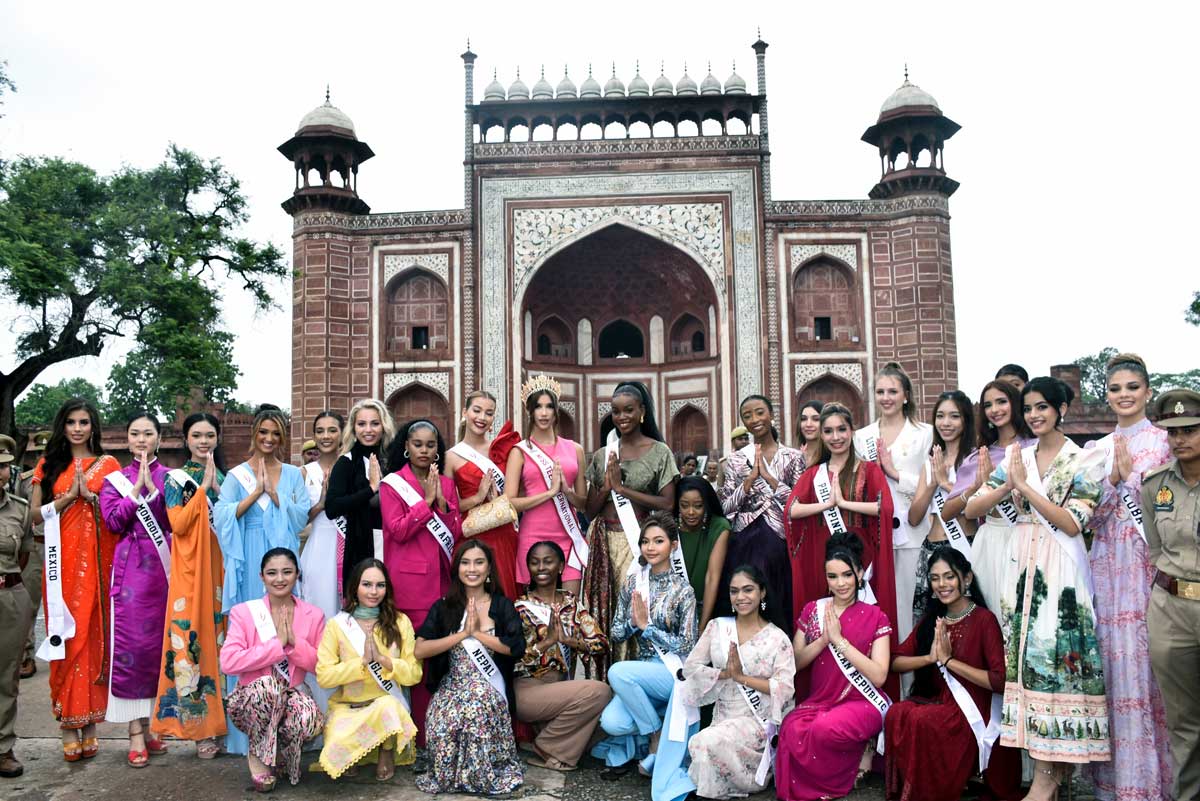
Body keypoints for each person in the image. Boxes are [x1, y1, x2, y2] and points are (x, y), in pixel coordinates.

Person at [964, 376, 1111, 796]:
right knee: (1026, 663)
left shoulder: (1085, 459)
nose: (1034, 415)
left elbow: (1072, 522)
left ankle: (1049, 778)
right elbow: (973, 508)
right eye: (1028, 408)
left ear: (1060, 409)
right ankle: (1051, 772)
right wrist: (1007, 484)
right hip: (1022, 567)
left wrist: (1023, 486)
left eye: (1042, 407)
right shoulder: (1018, 456)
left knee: (1056, 662)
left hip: (1062, 571)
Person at [1082, 354, 1173, 801]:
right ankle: (1117, 782)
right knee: (1114, 663)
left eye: (1132, 387)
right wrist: (1109, 481)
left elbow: (1167, 503)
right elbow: (1089, 517)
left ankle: (1155, 780)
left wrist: (1128, 481)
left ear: (1147, 391)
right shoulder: (1094, 448)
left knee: (1149, 665)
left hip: (1146, 561)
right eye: (1116, 388)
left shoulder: (1165, 441)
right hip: (1105, 562)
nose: (1123, 395)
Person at [886, 546, 1020, 801]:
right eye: (935, 578)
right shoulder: (932, 620)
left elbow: (999, 681)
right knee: (897, 713)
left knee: (921, 720)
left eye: (949, 576)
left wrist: (949, 661)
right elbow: (894, 661)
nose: (941, 584)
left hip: (973, 710)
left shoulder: (983, 619)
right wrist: (930, 658)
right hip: (939, 701)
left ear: (966, 578)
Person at [215, 406, 311, 756]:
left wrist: (276, 496)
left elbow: (301, 514)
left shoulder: (291, 474)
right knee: (253, 633)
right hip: (250, 556)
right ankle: (248, 733)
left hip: (283, 554)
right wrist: (254, 494)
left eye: (275, 434)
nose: (269, 439)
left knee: (285, 631)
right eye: (263, 433)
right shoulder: (237, 475)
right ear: (254, 434)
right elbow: (221, 517)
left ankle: (286, 727)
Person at [787, 402, 898, 699]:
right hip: (826, 560)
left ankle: (866, 698)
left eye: (841, 429)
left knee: (864, 623)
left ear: (852, 431)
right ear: (821, 436)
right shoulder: (814, 474)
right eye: (828, 431)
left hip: (861, 561)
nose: (836, 437)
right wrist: (826, 504)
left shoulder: (868, 469)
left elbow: (884, 507)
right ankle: (826, 692)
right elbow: (792, 510)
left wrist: (844, 504)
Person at [30, 398, 120, 761]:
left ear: (93, 426)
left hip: (99, 566)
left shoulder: (109, 465)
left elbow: (120, 513)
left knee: (93, 638)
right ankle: (69, 723)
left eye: (84, 421)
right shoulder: (47, 465)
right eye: (71, 422)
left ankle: (91, 723)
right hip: (60, 569)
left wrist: (95, 498)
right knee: (66, 638)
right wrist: (69, 498)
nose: (78, 428)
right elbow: (34, 518)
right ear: (62, 426)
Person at [777, 532, 893, 801]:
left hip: (864, 701)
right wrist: (823, 641)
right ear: (825, 578)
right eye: (833, 576)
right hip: (821, 701)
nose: (840, 583)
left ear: (860, 574)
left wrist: (840, 642)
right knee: (792, 727)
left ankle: (844, 772)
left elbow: (879, 675)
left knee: (824, 729)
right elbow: (795, 663)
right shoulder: (813, 610)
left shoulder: (876, 616)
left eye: (847, 575)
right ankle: (851, 762)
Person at [671, 565, 796, 800]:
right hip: (723, 718)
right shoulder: (717, 627)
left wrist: (742, 678)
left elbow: (785, 688)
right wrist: (723, 674)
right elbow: (691, 668)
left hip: (756, 723)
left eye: (748, 590)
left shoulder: (777, 638)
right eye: (734, 591)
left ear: (762, 593)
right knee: (705, 744)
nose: (740, 597)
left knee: (703, 743)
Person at [593, 512, 698, 783]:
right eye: (646, 541)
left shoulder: (683, 590)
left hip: (671, 672)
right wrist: (632, 623)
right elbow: (615, 633)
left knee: (618, 673)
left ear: (673, 545)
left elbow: (688, 644)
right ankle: (656, 729)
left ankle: (652, 737)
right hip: (642, 671)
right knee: (612, 723)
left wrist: (647, 627)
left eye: (658, 541)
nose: (650, 547)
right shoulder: (633, 583)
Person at [414, 540, 525, 795]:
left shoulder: (502, 605)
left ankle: (479, 775)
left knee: (475, 713)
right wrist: (463, 634)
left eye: (479, 562)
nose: (471, 569)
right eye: (465, 562)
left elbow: (515, 647)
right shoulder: (444, 607)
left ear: (489, 570)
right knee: (444, 718)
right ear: (457, 569)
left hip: (489, 685)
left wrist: (478, 634)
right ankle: (451, 774)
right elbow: (420, 649)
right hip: (452, 685)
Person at [583, 381, 678, 677]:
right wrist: (607, 487)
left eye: (628, 410)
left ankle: (635, 675)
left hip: (637, 541)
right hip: (601, 539)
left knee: (632, 607)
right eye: (615, 411)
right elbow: (589, 509)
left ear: (641, 413)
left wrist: (623, 489)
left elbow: (667, 502)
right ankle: (604, 680)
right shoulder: (603, 455)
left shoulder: (659, 451)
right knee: (603, 608)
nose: (621, 416)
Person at [98, 412, 174, 768]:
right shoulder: (113, 480)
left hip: (164, 573)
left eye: (148, 433)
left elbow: (176, 522)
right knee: (132, 648)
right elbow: (112, 522)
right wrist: (135, 491)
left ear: (159, 438)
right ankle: (134, 733)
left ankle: (153, 727)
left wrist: (154, 492)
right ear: (126, 440)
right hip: (129, 574)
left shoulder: (172, 478)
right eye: (135, 434)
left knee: (160, 650)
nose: (141, 439)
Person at [380, 417, 461, 743]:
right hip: (408, 587)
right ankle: (403, 733)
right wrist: (425, 503)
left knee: (435, 662)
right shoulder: (391, 484)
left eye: (431, 444)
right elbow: (397, 530)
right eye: (418, 444)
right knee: (408, 661)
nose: (424, 450)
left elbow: (455, 532)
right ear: (406, 447)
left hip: (441, 584)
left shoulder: (447, 483)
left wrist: (440, 501)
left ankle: (431, 735)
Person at [152, 412, 227, 759]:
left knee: (222, 641)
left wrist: (218, 487)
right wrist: (203, 490)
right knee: (190, 643)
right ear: (186, 439)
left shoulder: (226, 477)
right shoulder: (174, 479)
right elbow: (178, 523)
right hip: (190, 572)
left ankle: (227, 724)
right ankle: (200, 731)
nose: (203, 441)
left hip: (221, 569)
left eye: (209, 435)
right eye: (196, 435)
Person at [219, 547, 325, 791]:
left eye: (287, 572)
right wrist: (277, 645)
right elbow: (229, 662)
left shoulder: (314, 615)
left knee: (309, 719)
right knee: (269, 688)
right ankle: (258, 756)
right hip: (252, 699)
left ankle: (281, 755)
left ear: (297, 574)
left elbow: (321, 666)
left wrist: (295, 644)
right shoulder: (245, 613)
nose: (280, 579)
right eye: (272, 573)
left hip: (292, 693)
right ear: (261, 576)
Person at [1143, 388, 1200, 801]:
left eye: (1191, 430)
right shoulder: (1155, 484)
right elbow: (1157, 548)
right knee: (1183, 721)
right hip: (1170, 608)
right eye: (1173, 431)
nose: (1180, 439)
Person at [316, 558, 421, 782]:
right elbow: (324, 677)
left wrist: (385, 661)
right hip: (349, 708)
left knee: (388, 706)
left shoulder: (400, 622)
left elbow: (414, 674)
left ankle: (386, 748)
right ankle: (354, 752)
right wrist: (362, 663)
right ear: (354, 587)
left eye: (380, 585)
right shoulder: (337, 625)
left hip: (385, 706)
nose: (374, 592)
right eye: (367, 585)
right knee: (336, 747)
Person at [938, 380, 1034, 621]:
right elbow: (948, 512)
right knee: (993, 613)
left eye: (1002, 401)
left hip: (1029, 537)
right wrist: (975, 486)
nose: (995, 409)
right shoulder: (980, 456)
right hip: (992, 540)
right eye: (988, 404)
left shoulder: (1035, 447)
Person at [853, 362, 934, 646]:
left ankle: (913, 682)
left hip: (912, 530)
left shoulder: (924, 433)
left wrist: (895, 474)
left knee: (910, 608)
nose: (886, 397)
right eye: (880, 391)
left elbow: (931, 482)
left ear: (906, 395)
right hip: (873, 532)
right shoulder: (861, 436)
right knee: (878, 609)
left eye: (892, 391)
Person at [515, 540, 612, 771]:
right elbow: (511, 659)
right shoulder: (520, 607)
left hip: (560, 688)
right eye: (534, 563)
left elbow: (601, 643)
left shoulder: (571, 604)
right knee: (600, 692)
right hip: (527, 689)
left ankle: (551, 745)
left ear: (560, 567)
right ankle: (549, 747)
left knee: (609, 722)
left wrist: (570, 641)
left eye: (548, 561)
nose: (541, 567)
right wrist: (545, 643)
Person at [719, 394, 805, 633]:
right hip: (745, 538)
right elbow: (725, 508)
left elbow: (799, 504)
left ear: (771, 415)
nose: (754, 419)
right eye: (747, 415)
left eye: (759, 412)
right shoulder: (736, 460)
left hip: (781, 538)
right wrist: (747, 483)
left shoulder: (793, 458)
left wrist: (770, 480)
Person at [505, 375, 588, 595]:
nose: (543, 413)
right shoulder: (519, 451)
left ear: (556, 410)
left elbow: (584, 502)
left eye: (549, 406)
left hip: (569, 536)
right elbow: (509, 503)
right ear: (529, 411)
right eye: (538, 407)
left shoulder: (575, 449)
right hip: (533, 536)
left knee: (571, 609)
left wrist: (566, 492)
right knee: (533, 614)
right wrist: (550, 493)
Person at [906, 390, 976, 621]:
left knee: (967, 620)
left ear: (966, 420)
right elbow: (914, 518)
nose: (946, 423)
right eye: (940, 416)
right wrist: (933, 483)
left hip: (964, 547)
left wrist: (946, 484)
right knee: (931, 623)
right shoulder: (930, 462)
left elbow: (975, 508)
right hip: (932, 549)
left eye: (954, 416)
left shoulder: (974, 460)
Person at [445, 390, 521, 599]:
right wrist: (477, 498)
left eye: (488, 413)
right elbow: (447, 508)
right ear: (465, 412)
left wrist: (500, 497)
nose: (481, 418)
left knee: (504, 596)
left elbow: (516, 492)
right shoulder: (451, 456)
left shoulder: (503, 450)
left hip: (503, 532)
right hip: (471, 534)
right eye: (476, 411)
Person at [325, 399, 393, 594]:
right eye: (361, 424)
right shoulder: (345, 463)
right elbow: (332, 508)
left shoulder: (393, 461)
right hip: (360, 543)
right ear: (353, 428)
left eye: (375, 423)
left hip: (393, 542)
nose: (368, 430)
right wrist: (371, 489)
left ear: (384, 426)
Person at [0, 435, 32, 778]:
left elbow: (22, 556)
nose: (0, 472)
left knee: (6, 676)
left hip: (9, 597)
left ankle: (3, 748)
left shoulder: (19, 510)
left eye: (3, 466)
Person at [300, 410, 345, 620]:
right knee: (318, 608)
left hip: (349, 545)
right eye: (320, 431)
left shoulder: (353, 467)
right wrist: (321, 504)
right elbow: (298, 521)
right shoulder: (304, 472)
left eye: (332, 430)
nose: (325, 436)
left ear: (343, 434)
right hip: (318, 547)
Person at [673, 476, 731, 631]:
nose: (691, 512)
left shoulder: (719, 526)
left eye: (698, 506)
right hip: (672, 611)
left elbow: (712, 577)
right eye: (684, 506)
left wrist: (702, 625)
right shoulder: (669, 526)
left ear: (706, 504)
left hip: (705, 607)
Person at [17, 430, 47, 681]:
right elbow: (21, 516)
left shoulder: (66, 475)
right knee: (30, 604)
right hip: (36, 545)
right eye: (39, 452)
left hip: (64, 547)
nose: (43, 456)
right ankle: (26, 655)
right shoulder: (25, 480)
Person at [795, 399, 824, 466]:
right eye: (803, 419)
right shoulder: (792, 457)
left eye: (816, 419)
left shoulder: (833, 457)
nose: (808, 424)